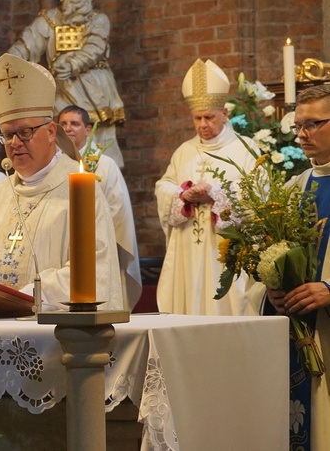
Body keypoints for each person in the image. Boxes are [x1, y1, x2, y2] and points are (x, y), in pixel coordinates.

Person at [0, 53, 123, 310]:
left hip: (54, 333)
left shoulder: (80, 192)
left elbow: (94, 266)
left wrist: (27, 297)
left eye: (25, 132)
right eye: (8, 135)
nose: (15, 143)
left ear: (51, 132)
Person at [154, 59, 258, 316]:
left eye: (209, 117)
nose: (203, 124)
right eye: (197, 118)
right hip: (188, 251)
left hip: (225, 250)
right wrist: (183, 195)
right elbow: (163, 187)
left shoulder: (245, 149)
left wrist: (216, 194)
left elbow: (256, 194)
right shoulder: (184, 151)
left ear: (225, 113)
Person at [7, 0, 126, 168]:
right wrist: (11, 63)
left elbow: (95, 48)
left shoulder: (98, 19)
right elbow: (27, 43)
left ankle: (104, 181)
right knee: (58, 139)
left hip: (95, 92)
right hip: (61, 89)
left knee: (99, 149)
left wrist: (71, 64)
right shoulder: (50, 20)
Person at [264, 85, 330, 450]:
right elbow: (278, 253)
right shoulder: (295, 187)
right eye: (298, 125)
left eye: (314, 124)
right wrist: (273, 288)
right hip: (303, 334)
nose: (302, 134)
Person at [58, 105, 141, 310]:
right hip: (60, 246)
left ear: (87, 129)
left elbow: (116, 208)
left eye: (75, 124)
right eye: (63, 124)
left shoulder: (105, 164)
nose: (68, 128)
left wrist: (88, 233)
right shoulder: (53, 164)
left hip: (98, 247)